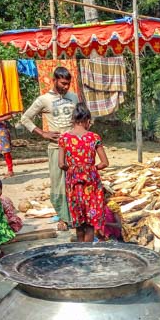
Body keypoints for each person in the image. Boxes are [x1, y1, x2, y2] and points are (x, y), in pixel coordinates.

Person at [20, 66, 80, 231]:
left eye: (68, 83)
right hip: (55, 147)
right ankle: (63, 217)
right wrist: (42, 133)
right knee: (58, 184)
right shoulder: (44, 99)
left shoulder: (73, 97)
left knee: (75, 182)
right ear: (54, 81)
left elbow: (82, 117)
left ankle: (76, 216)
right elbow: (25, 118)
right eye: (62, 83)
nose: (66, 87)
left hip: (74, 148)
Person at [58, 103, 109, 242]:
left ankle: (80, 253)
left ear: (73, 120)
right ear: (87, 120)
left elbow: (61, 164)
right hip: (91, 182)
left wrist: (73, 170)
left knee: (79, 223)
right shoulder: (94, 137)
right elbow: (105, 163)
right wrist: (90, 168)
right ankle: (89, 253)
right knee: (90, 223)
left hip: (73, 183)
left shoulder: (64, 138)